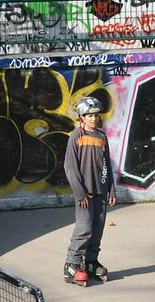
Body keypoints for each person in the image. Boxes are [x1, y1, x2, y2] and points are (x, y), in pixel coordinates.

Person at [63, 96, 116, 285]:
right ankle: (72, 264)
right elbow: (70, 167)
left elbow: (106, 165)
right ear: (81, 117)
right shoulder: (76, 136)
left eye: (96, 115)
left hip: (101, 191)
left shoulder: (102, 136)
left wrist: (111, 188)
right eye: (89, 115)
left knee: (97, 229)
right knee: (84, 228)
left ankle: (91, 261)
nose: (94, 118)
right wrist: (79, 192)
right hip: (84, 194)